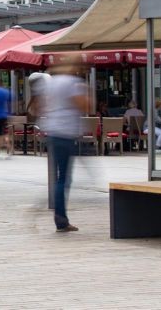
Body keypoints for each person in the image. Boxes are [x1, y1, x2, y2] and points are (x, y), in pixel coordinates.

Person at [43, 58, 89, 233]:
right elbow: (85, 105)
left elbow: (41, 106)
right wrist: (87, 92)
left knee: (59, 177)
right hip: (66, 132)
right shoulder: (73, 83)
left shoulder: (51, 83)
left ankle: (60, 218)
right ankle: (61, 219)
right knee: (64, 178)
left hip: (53, 131)